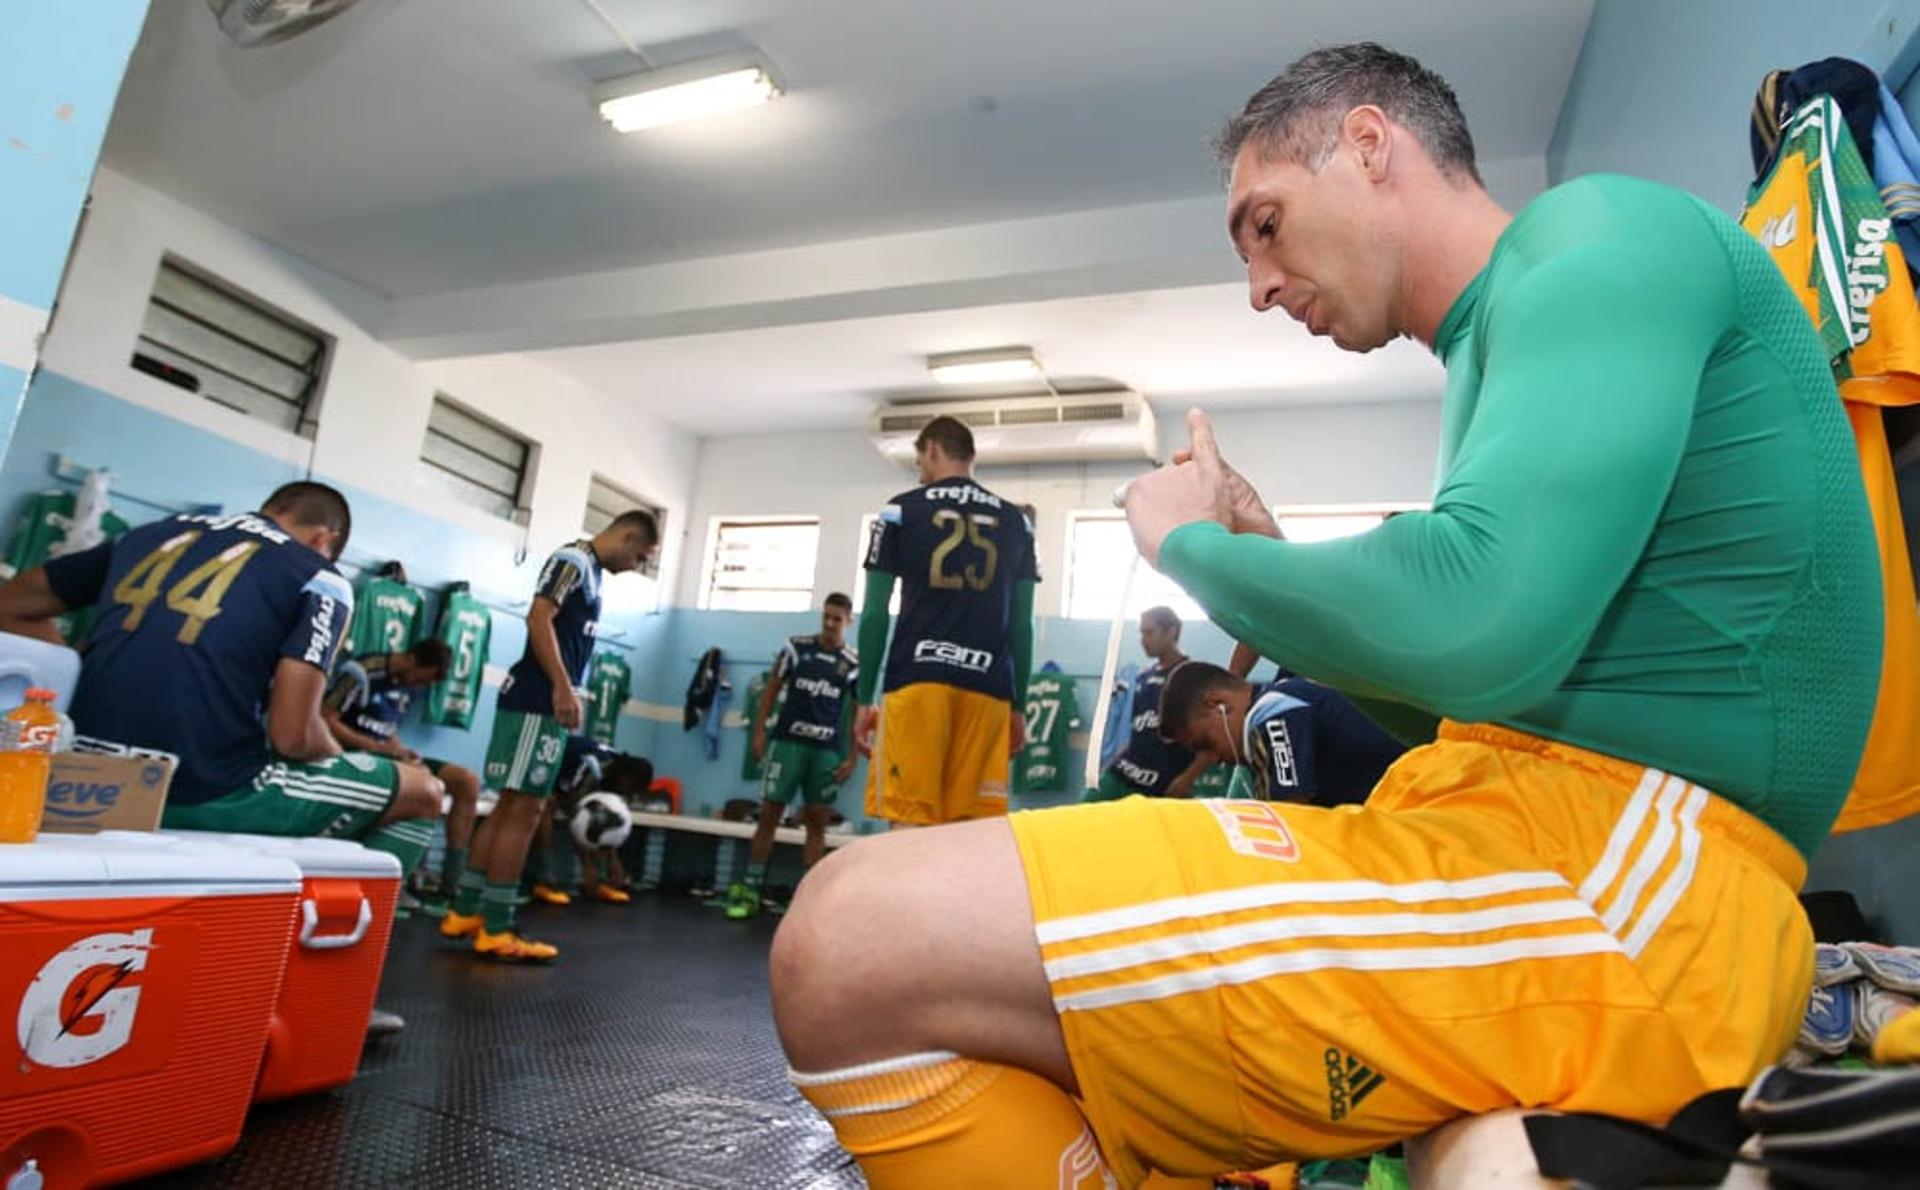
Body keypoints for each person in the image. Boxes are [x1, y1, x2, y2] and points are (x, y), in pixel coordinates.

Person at [767, 42, 1882, 1187]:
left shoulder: (1600, 235)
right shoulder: (1500, 350)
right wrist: (1267, 558)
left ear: (1367, 142)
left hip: (1633, 886)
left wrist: (1186, 547)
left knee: (848, 937)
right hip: (1541, 836)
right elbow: (1465, 694)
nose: (1258, 285)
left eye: (1265, 223)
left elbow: (1478, 621)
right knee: (943, 982)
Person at [0, 483, 446, 856]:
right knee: (423, 792)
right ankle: (342, 948)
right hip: (197, 787)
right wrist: (337, 753)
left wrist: (75, 670)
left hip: (76, 774)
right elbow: (292, 736)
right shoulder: (321, 577)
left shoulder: (147, 535)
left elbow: (11, 605)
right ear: (323, 542)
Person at [440, 509, 658, 963]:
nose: (636, 566)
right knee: (524, 810)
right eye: (640, 556)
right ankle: (497, 926)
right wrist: (561, 686)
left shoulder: (592, 573)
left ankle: (467, 910)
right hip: (537, 699)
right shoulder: (572, 561)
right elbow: (539, 617)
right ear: (629, 535)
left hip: (540, 700)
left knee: (510, 807)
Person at [853, 416, 1038, 827]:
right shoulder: (1017, 522)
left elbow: (874, 612)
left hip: (919, 682)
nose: (920, 474)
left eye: (920, 460)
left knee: (909, 826)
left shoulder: (899, 511)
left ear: (932, 449)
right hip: (988, 690)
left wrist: (865, 696)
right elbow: (1023, 625)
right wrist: (1019, 706)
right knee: (967, 835)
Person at [321, 636, 485, 913]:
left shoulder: (409, 685)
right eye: (422, 679)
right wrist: (376, 747)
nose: (420, 686)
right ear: (410, 659)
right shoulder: (362, 671)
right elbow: (325, 717)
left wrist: (402, 750)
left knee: (467, 781)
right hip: (355, 755)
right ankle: (401, 881)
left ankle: (449, 887)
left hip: (389, 755)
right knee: (424, 784)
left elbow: (386, 728)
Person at [728, 592, 859, 919]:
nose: (830, 624)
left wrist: (852, 757)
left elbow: (858, 713)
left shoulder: (854, 664)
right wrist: (759, 733)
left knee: (817, 823)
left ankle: (807, 902)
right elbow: (771, 689)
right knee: (769, 815)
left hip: (826, 752)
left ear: (848, 622)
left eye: (837, 619)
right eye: (826, 617)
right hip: (788, 745)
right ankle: (750, 891)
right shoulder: (796, 648)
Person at [1159, 660, 1405, 807]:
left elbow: (1287, 819)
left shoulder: (1272, 713)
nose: (1213, 758)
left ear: (1217, 703)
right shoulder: (1290, 694)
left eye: (1205, 743)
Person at [1084, 607, 1215, 801]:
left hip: (1165, 784)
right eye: (1141, 633)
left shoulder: (1192, 677)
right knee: (1083, 813)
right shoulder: (1143, 677)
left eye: (1149, 633)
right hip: (1125, 773)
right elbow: (1139, 733)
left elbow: (1212, 740)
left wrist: (1187, 779)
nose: (1143, 640)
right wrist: (1113, 762)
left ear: (1171, 632)